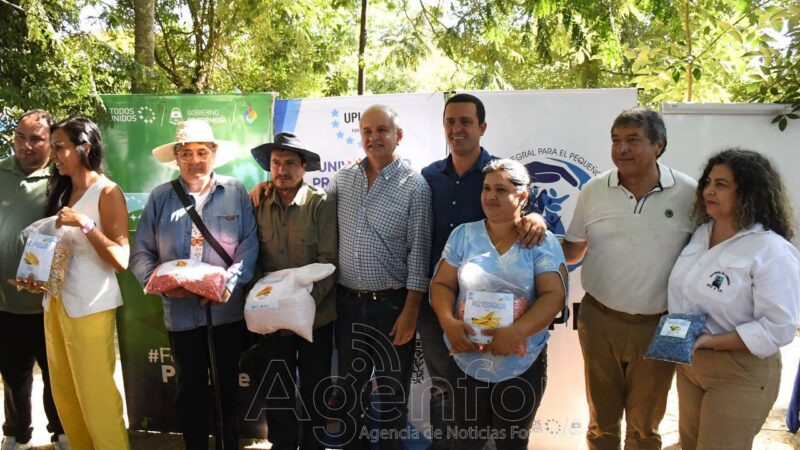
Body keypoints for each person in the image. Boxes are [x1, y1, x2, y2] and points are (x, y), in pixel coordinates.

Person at [562, 108, 696, 450]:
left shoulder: (690, 193)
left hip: (664, 324)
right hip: (599, 318)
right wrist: (530, 235)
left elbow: (704, 258)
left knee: (646, 425)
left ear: (659, 145)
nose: (621, 149)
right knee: (601, 422)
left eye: (633, 140)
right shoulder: (593, 190)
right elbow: (573, 250)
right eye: (616, 140)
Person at [420, 94, 546, 450]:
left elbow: (530, 215)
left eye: (465, 122)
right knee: (447, 392)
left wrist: (537, 218)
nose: (457, 129)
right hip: (442, 306)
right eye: (450, 122)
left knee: (502, 398)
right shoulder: (428, 177)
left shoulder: (500, 173)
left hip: (504, 313)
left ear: (482, 127)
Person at [130, 119, 258, 450]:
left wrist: (227, 284)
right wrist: (160, 284)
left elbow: (249, 244)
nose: (195, 160)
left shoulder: (235, 192)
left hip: (226, 312)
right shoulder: (160, 198)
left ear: (213, 154)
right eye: (186, 153)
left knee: (228, 387)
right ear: (176, 157)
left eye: (202, 151)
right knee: (191, 389)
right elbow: (141, 253)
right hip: (181, 314)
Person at [429, 158, 567, 450]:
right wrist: (448, 321)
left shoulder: (541, 242)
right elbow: (441, 284)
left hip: (521, 364)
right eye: (486, 188)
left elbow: (553, 296)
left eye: (501, 190)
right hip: (467, 362)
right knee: (466, 443)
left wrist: (516, 333)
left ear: (523, 196)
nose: (490, 196)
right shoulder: (464, 235)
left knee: (511, 445)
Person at [667, 149, 800, 450]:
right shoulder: (700, 234)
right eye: (708, 182)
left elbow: (778, 327)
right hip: (691, 366)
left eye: (722, 184)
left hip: (739, 371)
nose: (709, 191)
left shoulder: (770, 251)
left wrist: (709, 341)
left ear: (749, 192)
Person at [17, 117, 130, 449]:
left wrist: (85, 224)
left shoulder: (107, 191)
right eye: (53, 147)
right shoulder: (64, 190)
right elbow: (62, 254)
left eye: (60, 147)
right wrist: (37, 279)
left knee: (96, 398)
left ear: (86, 147)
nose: (54, 155)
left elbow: (121, 259)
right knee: (66, 399)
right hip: (55, 304)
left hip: (91, 307)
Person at [329, 104, 432, 450]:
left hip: (392, 307)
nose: (373, 138)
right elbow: (308, 206)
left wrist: (410, 313)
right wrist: (266, 190)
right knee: (349, 396)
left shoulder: (414, 186)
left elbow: (419, 254)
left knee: (391, 399)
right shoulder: (343, 180)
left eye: (382, 131)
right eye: (367, 131)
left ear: (398, 136)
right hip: (347, 305)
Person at [250, 132, 337, 450]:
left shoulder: (321, 204)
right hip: (271, 317)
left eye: (289, 163)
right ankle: (283, 444)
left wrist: (301, 305)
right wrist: (267, 302)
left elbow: (329, 262)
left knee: (316, 386)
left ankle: (315, 444)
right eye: (276, 163)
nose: (282, 170)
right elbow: (252, 257)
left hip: (316, 316)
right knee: (276, 386)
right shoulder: (257, 203)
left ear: (303, 167)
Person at [0, 110, 66, 450]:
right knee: (13, 373)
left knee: (55, 372)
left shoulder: (63, 178)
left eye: (37, 138)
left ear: (50, 142)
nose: (27, 146)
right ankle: (15, 433)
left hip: (50, 301)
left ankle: (61, 432)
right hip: (5, 302)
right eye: (21, 137)